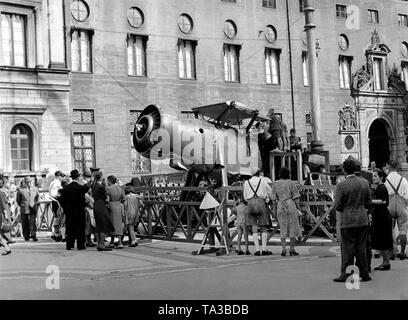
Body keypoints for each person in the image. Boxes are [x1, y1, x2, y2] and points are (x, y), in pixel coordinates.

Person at [333, 159, 372, 283]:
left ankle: (346, 273)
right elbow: (369, 203)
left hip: (347, 220)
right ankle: (364, 273)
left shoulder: (341, 185)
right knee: (361, 247)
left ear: (345, 170)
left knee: (348, 248)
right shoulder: (364, 183)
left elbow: (337, 205)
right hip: (362, 219)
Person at [271, 167, 302, 256]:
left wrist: (274, 208)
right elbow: (296, 197)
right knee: (293, 227)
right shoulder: (291, 183)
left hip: (280, 205)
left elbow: (273, 198)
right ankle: (292, 249)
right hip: (290, 204)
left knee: (283, 227)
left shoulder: (275, 184)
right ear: (288, 174)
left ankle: (284, 249)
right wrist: (298, 208)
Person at [243, 167, 273, 256]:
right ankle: (264, 249)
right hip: (261, 203)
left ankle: (257, 250)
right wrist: (267, 199)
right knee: (263, 227)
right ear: (259, 173)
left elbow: (245, 197)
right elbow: (271, 192)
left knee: (254, 227)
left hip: (250, 204)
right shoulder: (263, 181)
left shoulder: (246, 183)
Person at [59, 170, 90, 250]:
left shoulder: (66, 188)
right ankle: (80, 245)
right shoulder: (80, 188)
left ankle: (69, 244)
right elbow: (86, 192)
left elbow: (61, 200)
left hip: (69, 211)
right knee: (80, 228)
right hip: (79, 211)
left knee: (70, 228)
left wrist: (66, 208)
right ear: (78, 177)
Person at [384, 160, 408, 260]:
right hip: (401, 204)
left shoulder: (386, 180)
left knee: (390, 229)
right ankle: (402, 252)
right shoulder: (403, 180)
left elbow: (384, 193)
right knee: (403, 230)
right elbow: (407, 195)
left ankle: (392, 252)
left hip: (390, 204)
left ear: (388, 167)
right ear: (397, 167)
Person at [370, 169, 393, 271]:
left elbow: (383, 201)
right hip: (381, 216)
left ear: (381, 177)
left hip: (383, 217)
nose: (373, 177)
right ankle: (385, 262)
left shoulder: (381, 188)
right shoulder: (379, 187)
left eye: (375, 176)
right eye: (373, 176)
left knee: (384, 239)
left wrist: (370, 201)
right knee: (383, 239)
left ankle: (386, 262)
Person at [91, 171, 114, 251]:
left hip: (95, 205)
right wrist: (107, 198)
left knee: (98, 225)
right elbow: (105, 198)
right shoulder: (100, 186)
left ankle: (98, 244)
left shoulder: (93, 185)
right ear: (100, 177)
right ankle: (102, 245)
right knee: (103, 225)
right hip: (101, 205)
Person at [16, 177, 39, 242]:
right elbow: (18, 200)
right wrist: (22, 205)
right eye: (28, 182)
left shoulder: (35, 189)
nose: (30, 183)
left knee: (32, 222)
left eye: (30, 182)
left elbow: (37, 197)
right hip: (24, 207)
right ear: (25, 183)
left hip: (33, 207)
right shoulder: (21, 190)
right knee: (25, 222)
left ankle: (33, 235)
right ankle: (26, 236)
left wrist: (34, 203)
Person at [106, 175, 126, 248]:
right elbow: (124, 199)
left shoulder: (108, 188)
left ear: (110, 181)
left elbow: (107, 199)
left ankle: (112, 242)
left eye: (107, 181)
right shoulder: (120, 189)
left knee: (112, 224)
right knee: (119, 224)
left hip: (111, 205)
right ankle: (120, 242)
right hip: (118, 205)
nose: (107, 182)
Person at [49, 171, 65, 242]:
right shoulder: (57, 183)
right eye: (61, 176)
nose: (62, 178)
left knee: (56, 217)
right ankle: (57, 234)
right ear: (59, 176)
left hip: (54, 201)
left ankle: (54, 233)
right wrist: (58, 199)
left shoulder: (52, 183)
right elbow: (53, 194)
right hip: (56, 201)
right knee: (58, 218)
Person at [82, 170, 96, 247]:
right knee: (88, 226)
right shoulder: (86, 195)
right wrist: (93, 206)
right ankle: (88, 240)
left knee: (88, 226)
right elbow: (89, 203)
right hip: (88, 211)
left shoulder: (85, 194)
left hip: (87, 210)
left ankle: (88, 240)